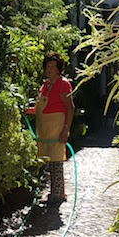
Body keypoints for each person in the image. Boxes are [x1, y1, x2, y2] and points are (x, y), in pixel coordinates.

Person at [35, 52, 74, 205]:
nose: (50, 69)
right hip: (44, 129)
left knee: (56, 162)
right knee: (44, 161)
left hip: (57, 127)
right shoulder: (45, 85)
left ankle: (58, 194)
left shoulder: (63, 84)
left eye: (53, 66)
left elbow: (70, 108)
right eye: (48, 66)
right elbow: (41, 107)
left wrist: (66, 129)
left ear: (59, 69)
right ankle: (48, 192)